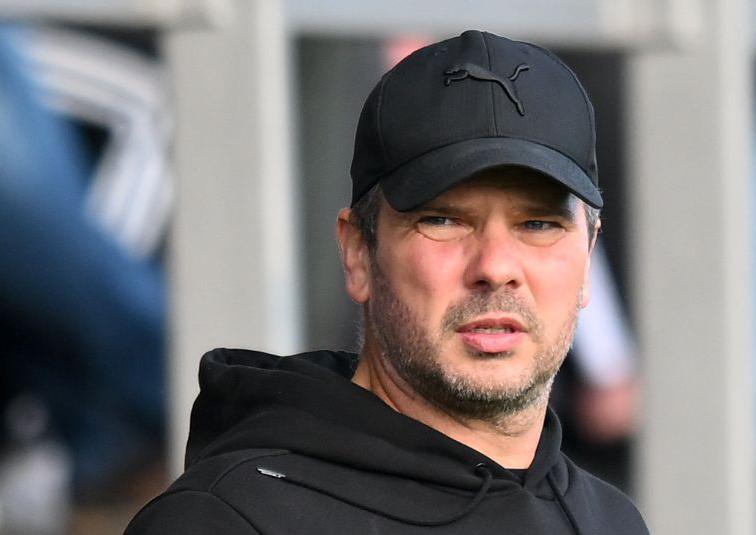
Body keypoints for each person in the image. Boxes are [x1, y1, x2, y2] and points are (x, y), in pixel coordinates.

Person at [125, 30, 649, 534]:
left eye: (538, 224)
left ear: (588, 257)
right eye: (444, 220)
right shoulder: (226, 519)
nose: (495, 266)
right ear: (357, 251)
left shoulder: (611, 520)